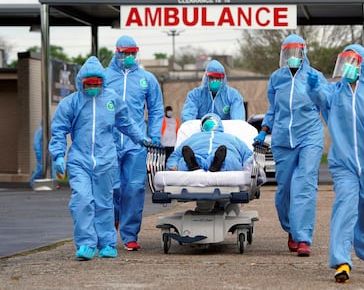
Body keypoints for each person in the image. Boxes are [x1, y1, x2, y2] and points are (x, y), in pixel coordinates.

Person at [307, 44, 364, 283]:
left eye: (352, 62)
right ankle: (341, 261)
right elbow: (320, 96)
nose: (347, 66)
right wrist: (314, 87)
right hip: (343, 163)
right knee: (345, 207)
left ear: (362, 66)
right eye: (344, 61)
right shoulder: (335, 92)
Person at [48, 56, 148, 260]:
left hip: (106, 159)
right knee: (82, 200)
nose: (93, 87)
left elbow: (126, 122)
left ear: (102, 82)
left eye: (97, 83)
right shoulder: (71, 103)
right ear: (81, 83)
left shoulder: (111, 99)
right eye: (89, 84)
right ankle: (85, 244)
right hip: (79, 160)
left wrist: (141, 138)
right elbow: (58, 130)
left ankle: (107, 244)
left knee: (104, 203)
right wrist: (58, 154)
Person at [253, 34, 327, 257]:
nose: (293, 58)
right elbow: (274, 109)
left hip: (310, 136)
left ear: (304, 54)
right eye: (289, 53)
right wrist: (264, 129)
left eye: (297, 53)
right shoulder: (277, 78)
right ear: (283, 55)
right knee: (284, 188)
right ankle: (291, 229)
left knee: (305, 184)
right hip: (283, 138)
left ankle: (303, 237)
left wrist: (319, 90)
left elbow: (327, 103)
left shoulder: (315, 76)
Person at [105, 35, 164, 251]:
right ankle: (111, 222)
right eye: (125, 53)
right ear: (117, 52)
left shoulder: (147, 79)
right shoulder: (104, 76)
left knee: (135, 188)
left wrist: (154, 134)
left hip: (137, 142)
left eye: (133, 53)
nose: (129, 57)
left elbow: (156, 108)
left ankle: (130, 234)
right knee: (111, 187)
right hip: (109, 141)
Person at [167, 113, 252, 172]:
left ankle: (199, 164)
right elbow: (176, 154)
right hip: (198, 153)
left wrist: (250, 167)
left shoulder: (232, 138)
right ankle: (194, 163)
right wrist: (172, 166)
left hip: (224, 154)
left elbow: (247, 153)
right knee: (184, 161)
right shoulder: (193, 137)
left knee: (229, 159)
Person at [181, 59, 245, 123]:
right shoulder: (195, 95)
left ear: (223, 79)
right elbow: (188, 120)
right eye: (211, 77)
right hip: (201, 132)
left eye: (218, 78)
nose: (215, 80)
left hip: (225, 132)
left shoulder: (233, 96)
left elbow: (238, 121)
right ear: (206, 78)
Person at [30, 122, 59, 188]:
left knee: (52, 167)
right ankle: (32, 181)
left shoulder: (48, 131)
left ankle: (53, 183)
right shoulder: (40, 131)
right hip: (41, 152)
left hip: (48, 152)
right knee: (40, 167)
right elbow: (36, 143)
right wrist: (38, 152)